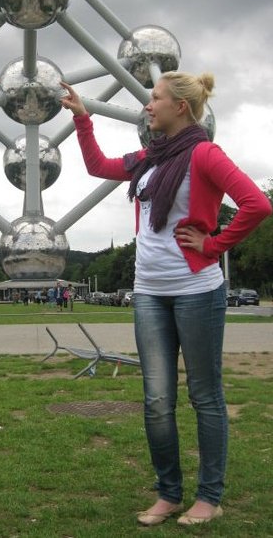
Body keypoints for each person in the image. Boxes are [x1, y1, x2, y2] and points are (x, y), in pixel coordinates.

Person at [60, 73, 271, 527]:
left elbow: (257, 204)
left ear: (181, 107)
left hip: (197, 291)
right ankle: (168, 494)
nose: (147, 106)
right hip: (149, 293)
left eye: (155, 98)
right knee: (157, 399)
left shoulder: (204, 154)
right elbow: (99, 166)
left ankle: (208, 497)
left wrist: (214, 245)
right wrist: (83, 118)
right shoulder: (148, 158)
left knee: (204, 396)